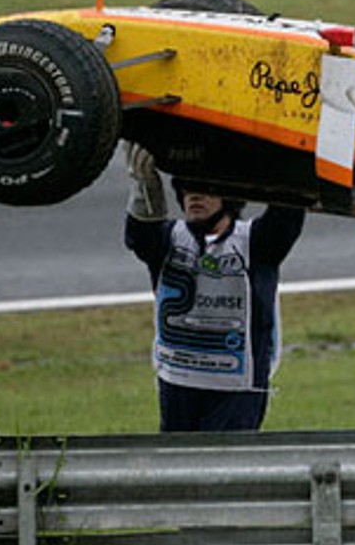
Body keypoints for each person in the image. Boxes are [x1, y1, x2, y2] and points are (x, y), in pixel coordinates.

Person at [122, 143, 305, 432]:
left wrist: (288, 156)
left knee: (227, 470)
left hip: (236, 387)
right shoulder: (167, 239)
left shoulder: (257, 242)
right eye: (188, 187)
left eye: (207, 187)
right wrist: (144, 184)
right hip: (177, 381)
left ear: (230, 195)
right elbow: (139, 236)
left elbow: (288, 212)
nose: (196, 194)